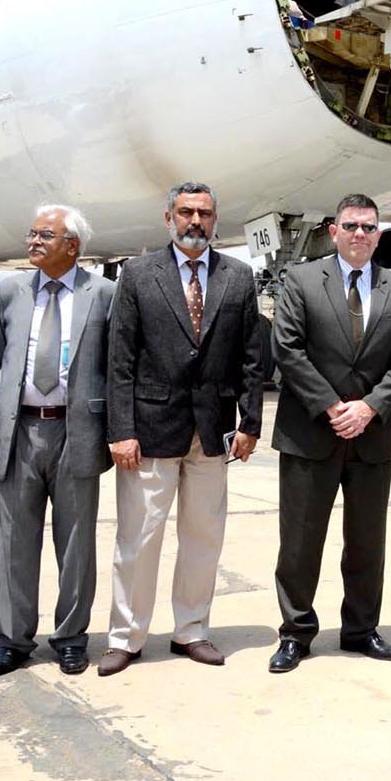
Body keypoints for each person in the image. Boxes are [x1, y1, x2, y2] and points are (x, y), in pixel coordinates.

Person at [99, 182, 264, 676]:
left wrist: (250, 422)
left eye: (205, 214)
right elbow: (120, 359)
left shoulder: (238, 277)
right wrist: (121, 429)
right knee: (139, 538)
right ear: (167, 217)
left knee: (204, 536)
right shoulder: (138, 274)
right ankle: (126, 637)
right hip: (149, 431)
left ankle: (192, 630)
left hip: (213, 433)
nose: (196, 221)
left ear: (216, 220)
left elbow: (252, 358)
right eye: (186, 212)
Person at [268, 194, 391, 674]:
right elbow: (287, 349)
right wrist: (334, 406)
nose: (360, 234)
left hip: (370, 436)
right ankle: (295, 632)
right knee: (299, 541)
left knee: (367, 541)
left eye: (369, 227)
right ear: (334, 230)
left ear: (379, 234)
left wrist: (370, 407)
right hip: (311, 431)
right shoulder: (302, 279)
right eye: (352, 226)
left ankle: (360, 629)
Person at [0, 205, 115, 678]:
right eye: (32, 232)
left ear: (73, 245)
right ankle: (13, 639)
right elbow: (1, 351)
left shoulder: (103, 293)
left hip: (77, 430)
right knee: (15, 540)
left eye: (46, 235)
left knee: (76, 542)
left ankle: (71, 637)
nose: (34, 242)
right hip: (20, 430)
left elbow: (113, 364)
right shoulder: (10, 291)